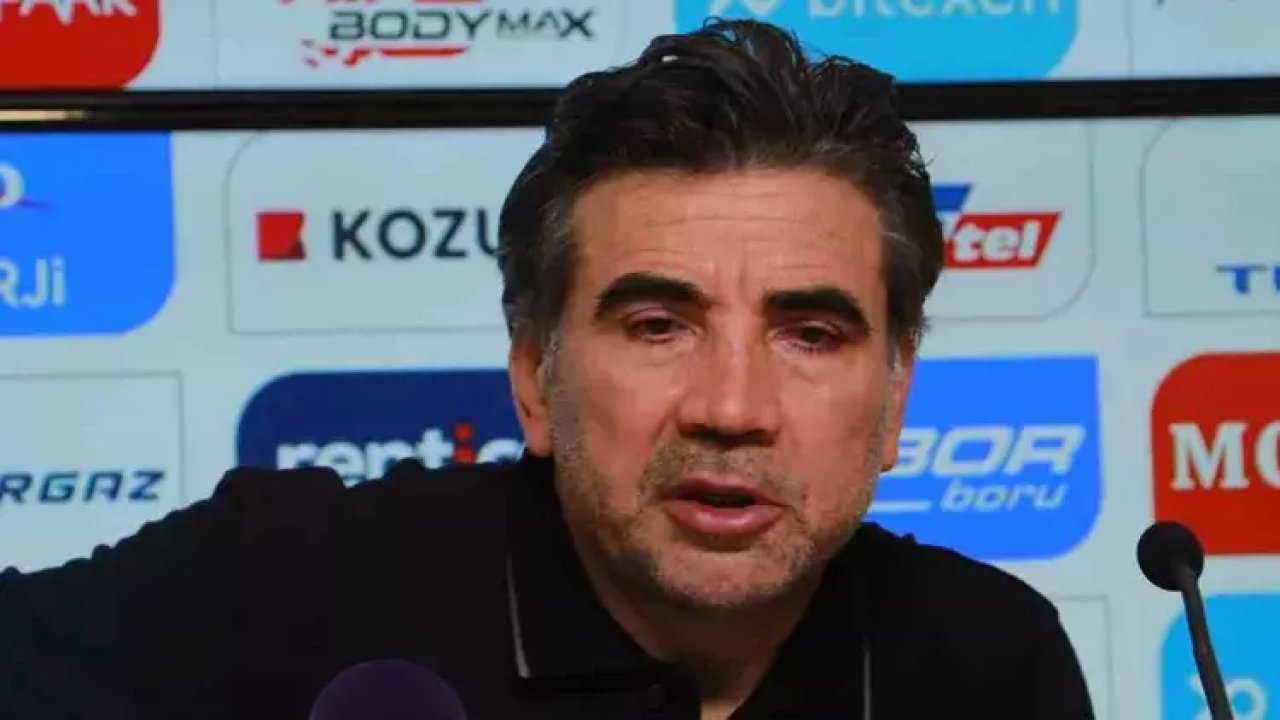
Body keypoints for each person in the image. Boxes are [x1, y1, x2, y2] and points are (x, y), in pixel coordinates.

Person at [0, 19, 1094, 720]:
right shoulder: (281, 583)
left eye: (809, 334)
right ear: (533, 375)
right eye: (657, 325)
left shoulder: (988, 660)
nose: (732, 407)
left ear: (895, 395)